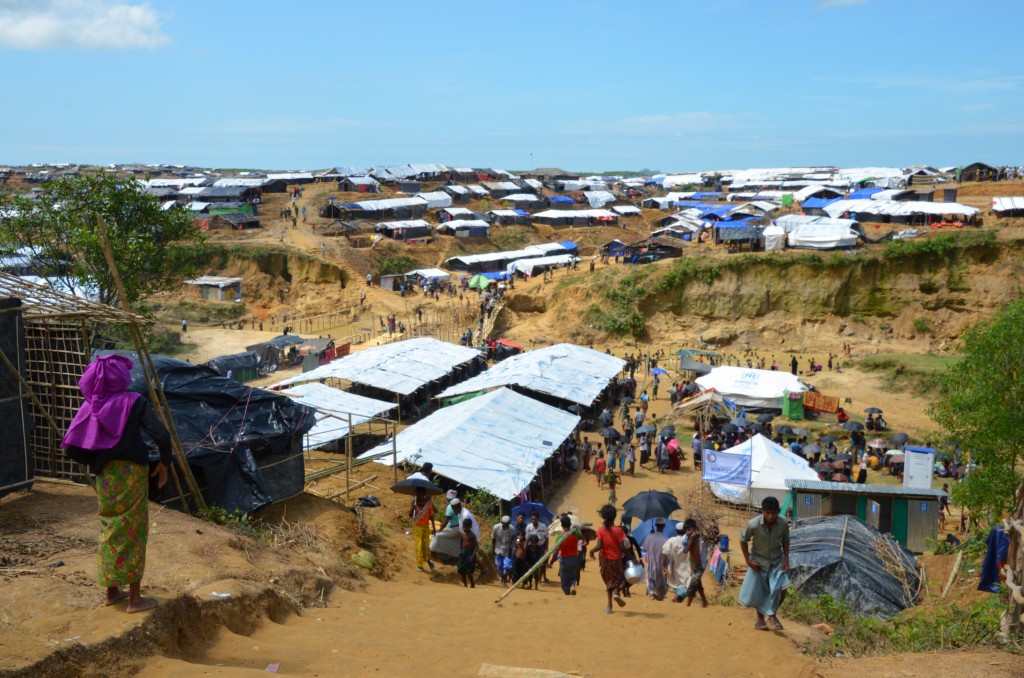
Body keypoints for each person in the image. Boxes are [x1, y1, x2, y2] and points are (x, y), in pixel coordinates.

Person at [61, 354, 171, 613]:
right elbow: (161, 435)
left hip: (106, 477)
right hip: (132, 474)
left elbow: (71, 447)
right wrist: (164, 462)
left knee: (110, 527)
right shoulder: (135, 402)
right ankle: (135, 599)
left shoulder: (91, 406)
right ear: (120, 376)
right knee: (133, 530)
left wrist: (97, 462)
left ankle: (111, 592)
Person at [739, 496, 791, 631]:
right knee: (760, 591)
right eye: (767, 513)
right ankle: (761, 619)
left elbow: (786, 540)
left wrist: (786, 559)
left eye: (774, 513)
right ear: (762, 511)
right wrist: (748, 560)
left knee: (782, 588)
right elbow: (743, 539)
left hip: (777, 560)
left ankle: (771, 613)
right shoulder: (753, 524)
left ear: (778, 511)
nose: (770, 516)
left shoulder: (783, 523)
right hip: (759, 561)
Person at [589, 504, 628, 614]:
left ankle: (609, 606)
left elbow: (599, 546)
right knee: (621, 579)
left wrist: (591, 551)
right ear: (615, 516)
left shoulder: (601, 530)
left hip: (605, 560)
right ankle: (617, 592)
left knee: (609, 581)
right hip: (616, 560)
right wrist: (630, 557)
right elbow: (622, 547)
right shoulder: (619, 531)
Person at [548, 515, 580, 596]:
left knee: (564, 581)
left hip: (564, 560)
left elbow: (556, 551)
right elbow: (581, 536)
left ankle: (568, 592)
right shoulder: (575, 534)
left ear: (562, 525)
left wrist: (551, 561)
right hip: (574, 559)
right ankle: (573, 585)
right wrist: (577, 529)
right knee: (572, 575)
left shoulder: (560, 537)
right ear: (570, 524)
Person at [662, 522, 692, 603]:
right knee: (688, 584)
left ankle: (677, 597)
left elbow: (664, 552)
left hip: (675, 566)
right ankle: (678, 598)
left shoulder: (671, 540)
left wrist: (664, 566)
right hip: (688, 567)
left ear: (676, 531)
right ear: (685, 530)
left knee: (677, 583)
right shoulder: (690, 540)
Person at [642, 517, 670, 600]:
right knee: (662, 580)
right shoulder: (666, 539)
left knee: (651, 578)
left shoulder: (649, 537)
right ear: (664, 526)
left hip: (651, 562)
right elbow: (668, 554)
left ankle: (652, 592)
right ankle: (659, 594)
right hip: (662, 563)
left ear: (656, 525)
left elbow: (644, 549)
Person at [409, 488, 436, 572]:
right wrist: (413, 508)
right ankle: (419, 565)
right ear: (417, 494)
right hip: (417, 526)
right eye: (419, 494)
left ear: (424, 494)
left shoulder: (428, 503)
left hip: (426, 526)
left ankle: (428, 560)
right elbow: (410, 515)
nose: (420, 495)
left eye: (422, 494)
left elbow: (431, 516)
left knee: (426, 545)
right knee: (419, 545)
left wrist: (434, 527)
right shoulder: (414, 503)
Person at [683, 519, 708, 607]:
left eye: (689, 530)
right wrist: (692, 539)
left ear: (695, 528)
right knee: (698, 583)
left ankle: (688, 605)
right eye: (686, 530)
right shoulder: (687, 538)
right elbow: (685, 550)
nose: (687, 532)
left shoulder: (702, 538)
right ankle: (704, 601)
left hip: (701, 566)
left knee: (693, 583)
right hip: (693, 565)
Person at [525, 511, 550, 583]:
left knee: (542, 564)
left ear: (538, 519)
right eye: (532, 519)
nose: (533, 521)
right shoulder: (528, 527)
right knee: (532, 563)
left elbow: (547, 538)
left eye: (535, 519)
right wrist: (525, 549)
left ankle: (539, 580)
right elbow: (527, 539)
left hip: (541, 546)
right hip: (532, 547)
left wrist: (546, 549)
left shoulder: (543, 526)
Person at [492, 516, 517, 586]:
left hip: (507, 549)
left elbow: (513, 540)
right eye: (503, 523)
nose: (505, 525)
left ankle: (504, 581)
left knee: (507, 566)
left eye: (506, 524)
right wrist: (493, 548)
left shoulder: (512, 529)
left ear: (509, 523)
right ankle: (501, 577)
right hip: (498, 548)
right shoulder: (496, 528)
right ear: (501, 523)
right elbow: (493, 538)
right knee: (499, 566)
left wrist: (511, 550)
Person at [457, 518, 478, 588]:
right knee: (462, 570)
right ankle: (465, 584)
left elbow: (476, 546)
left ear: (470, 526)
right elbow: (461, 543)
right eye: (464, 527)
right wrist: (460, 553)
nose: (465, 528)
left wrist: (473, 555)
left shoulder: (472, 535)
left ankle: (472, 584)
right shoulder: (462, 534)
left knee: (468, 570)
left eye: (466, 527)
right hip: (463, 553)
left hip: (470, 554)